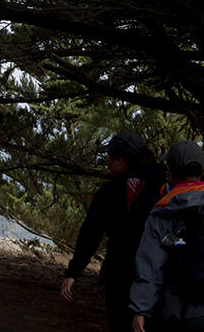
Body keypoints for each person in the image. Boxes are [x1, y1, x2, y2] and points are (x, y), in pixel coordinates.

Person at [60, 131, 165, 332]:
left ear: (121, 160)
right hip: (157, 277)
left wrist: (74, 272)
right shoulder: (162, 189)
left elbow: (91, 233)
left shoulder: (109, 192)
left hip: (120, 277)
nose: (107, 161)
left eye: (110, 156)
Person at [130, 140, 204, 332]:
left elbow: (150, 266)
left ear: (171, 171)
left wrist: (141, 309)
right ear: (201, 169)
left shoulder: (163, 213)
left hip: (179, 314)